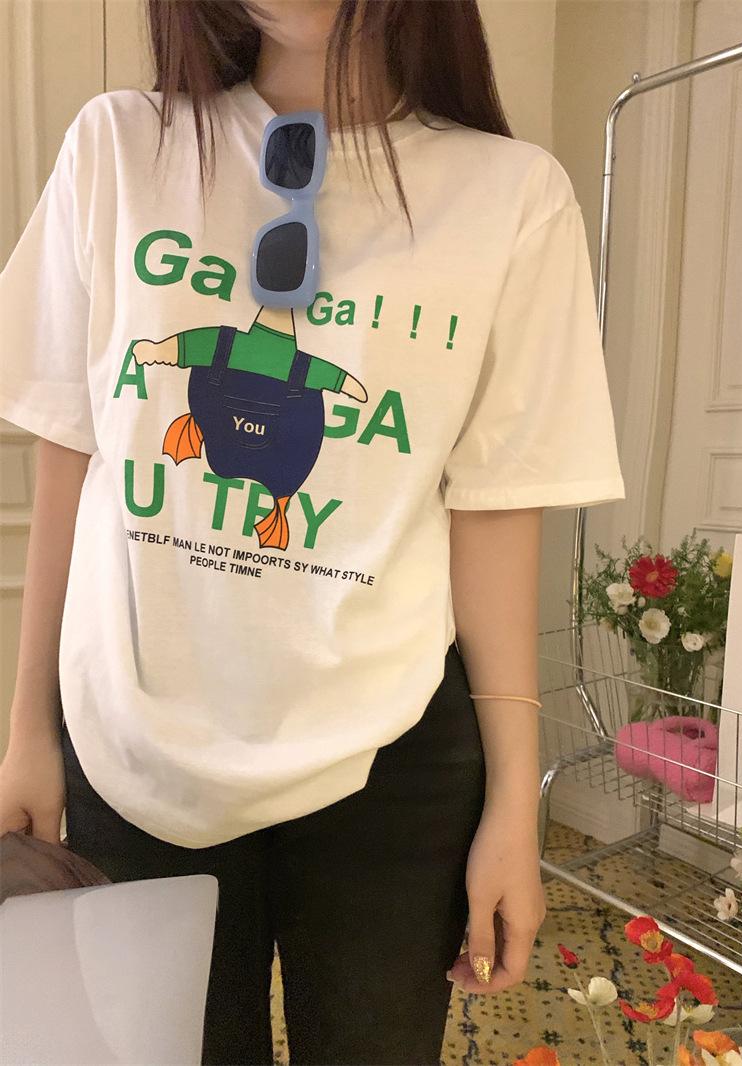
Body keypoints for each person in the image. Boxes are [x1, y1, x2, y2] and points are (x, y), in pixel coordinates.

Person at [0, 2, 626, 1064]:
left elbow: (491, 513)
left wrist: (513, 808)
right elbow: (72, 447)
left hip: (392, 758)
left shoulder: (512, 196)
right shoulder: (117, 147)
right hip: (137, 747)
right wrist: (28, 729)